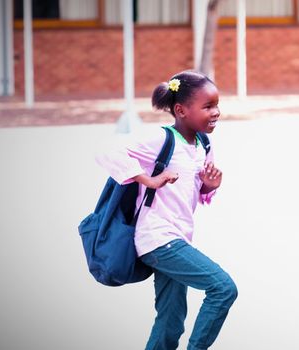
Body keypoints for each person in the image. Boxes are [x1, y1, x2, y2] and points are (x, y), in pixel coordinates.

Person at [96, 70, 236, 350]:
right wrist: (148, 179)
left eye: (216, 105)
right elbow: (108, 151)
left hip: (177, 238)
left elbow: (195, 193)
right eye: (207, 106)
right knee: (223, 288)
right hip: (158, 239)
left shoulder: (202, 144)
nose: (216, 112)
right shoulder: (163, 140)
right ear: (181, 110)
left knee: (171, 319)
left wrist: (208, 186)